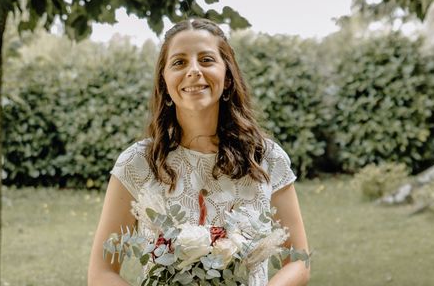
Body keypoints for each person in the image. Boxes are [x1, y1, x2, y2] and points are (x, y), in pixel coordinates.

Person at [88, 18, 310, 285]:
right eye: (179, 62)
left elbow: (298, 262)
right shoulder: (137, 164)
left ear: (227, 78)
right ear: (165, 83)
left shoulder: (267, 159)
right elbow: (101, 273)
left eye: (206, 60)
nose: (193, 70)